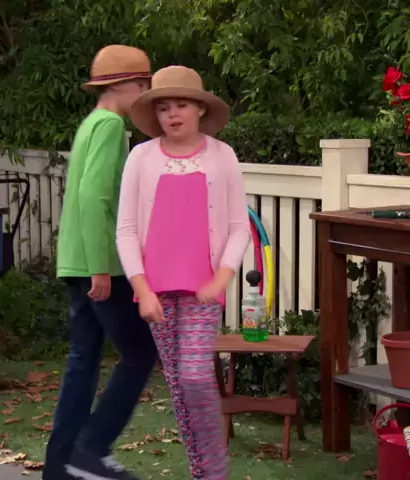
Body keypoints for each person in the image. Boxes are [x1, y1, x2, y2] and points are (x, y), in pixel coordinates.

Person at [116, 66, 251, 480]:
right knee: (178, 385)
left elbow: (238, 227)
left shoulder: (222, 156)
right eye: (163, 108)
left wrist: (222, 278)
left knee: (194, 377)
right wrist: (142, 289)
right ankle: (203, 473)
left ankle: (215, 472)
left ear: (200, 109)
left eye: (181, 105)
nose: (172, 114)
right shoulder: (141, 157)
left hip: (203, 289)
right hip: (155, 291)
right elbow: (126, 230)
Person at [43, 45, 158, 480]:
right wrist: (101, 269)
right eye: (143, 85)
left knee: (83, 362)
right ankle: (92, 448)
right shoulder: (110, 126)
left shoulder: (91, 123)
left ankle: (59, 467)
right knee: (140, 352)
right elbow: (94, 199)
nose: (145, 94)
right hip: (101, 264)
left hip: (76, 262)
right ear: (124, 85)